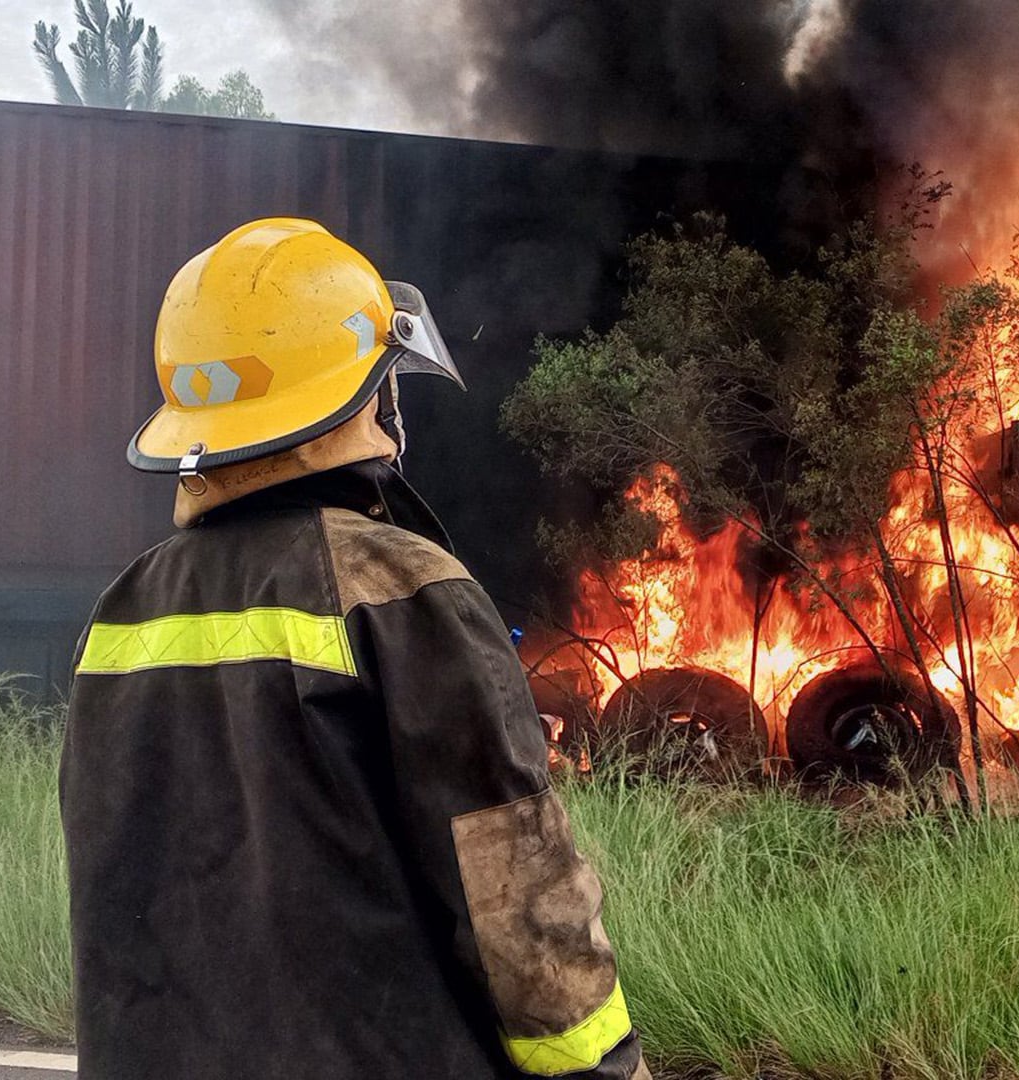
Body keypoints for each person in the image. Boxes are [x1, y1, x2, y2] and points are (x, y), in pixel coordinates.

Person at [61, 218, 647, 1080]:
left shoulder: (125, 607)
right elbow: (513, 890)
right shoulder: (401, 584)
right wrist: (603, 1071)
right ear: (366, 398)